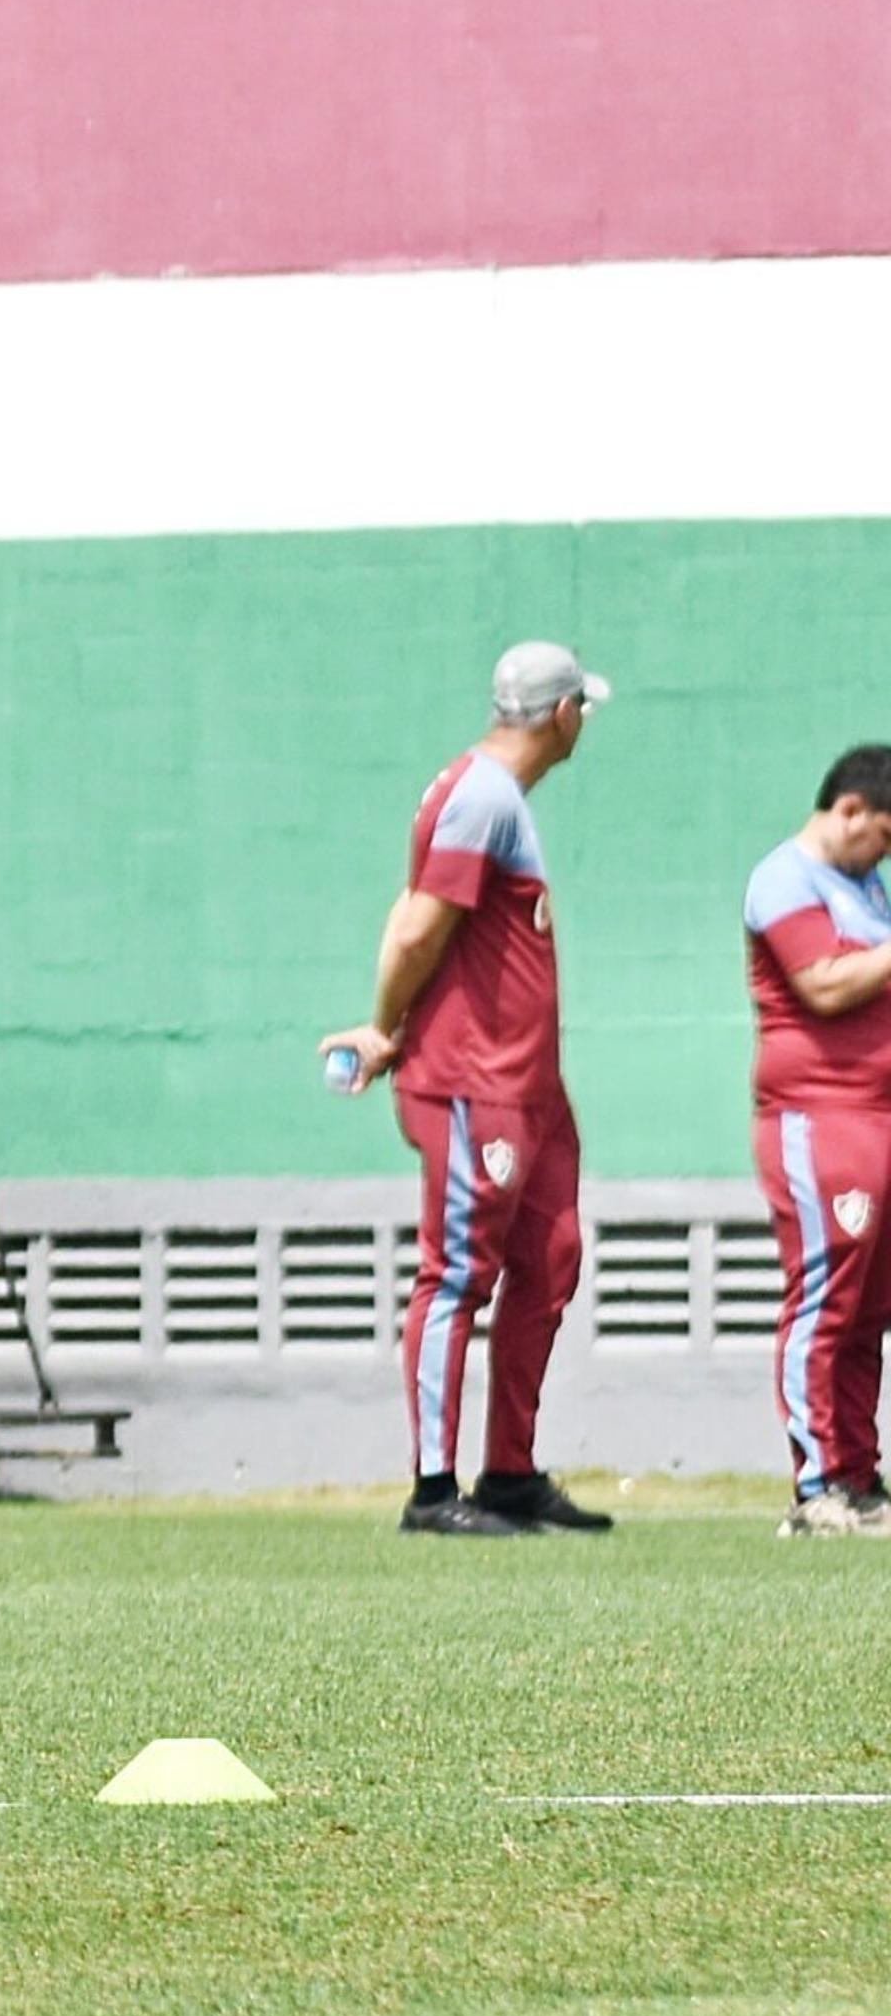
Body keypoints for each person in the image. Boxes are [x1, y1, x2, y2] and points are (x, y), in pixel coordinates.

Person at [322, 642, 612, 1536]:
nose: (583, 725)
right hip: (472, 1084)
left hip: (528, 1089)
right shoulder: (482, 794)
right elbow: (415, 928)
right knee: (457, 1278)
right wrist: (383, 1028)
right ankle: (433, 1490)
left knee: (549, 1262)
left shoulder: (494, 798)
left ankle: (512, 1475)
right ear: (561, 715)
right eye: (581, 710)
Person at [742, 745, 891, 1537]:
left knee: (871, 1309)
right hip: (816, 1117)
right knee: (826, 1299)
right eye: (886, 836)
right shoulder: (784, 879)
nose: (887, 854)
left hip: (877, 1114)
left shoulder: (866, 885)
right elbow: (825, 986)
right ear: (851, 811)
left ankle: (861, 1480)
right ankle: (815, 1485)